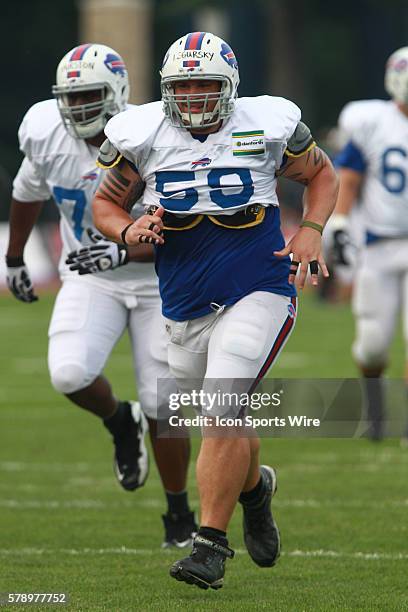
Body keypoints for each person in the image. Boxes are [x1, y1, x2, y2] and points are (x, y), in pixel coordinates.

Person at [92, 32, 338, 589]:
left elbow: (322, 174)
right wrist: (127, 228)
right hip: (183, 303)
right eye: (184, 85)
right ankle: (256, 490)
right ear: (166, 88)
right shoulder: (142, 132)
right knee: (224, 416)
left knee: (222, 405)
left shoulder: (266, 124)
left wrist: (313, 230)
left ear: (231, 86)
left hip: (261, 287)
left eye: (206, 83)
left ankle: (209, 545)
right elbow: (105, 203)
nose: (195, 94)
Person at [5, 43, 196, 547]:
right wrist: (14, 256)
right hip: (90, 277)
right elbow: (28, 190)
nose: (78, 108)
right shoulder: (45, 129)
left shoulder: (155, 133)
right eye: (70, 97)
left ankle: (178, 512)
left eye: (89, 95)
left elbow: (186, 228)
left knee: (165, 404)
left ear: (117, 92)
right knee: (69, 372)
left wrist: (123, 252)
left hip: (160, 283)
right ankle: (119, 420)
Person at [331, 45, 408, 441]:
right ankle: (375, 408)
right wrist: (341, 219)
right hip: (378, 245)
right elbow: (351, 175)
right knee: (373, 345)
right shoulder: (373, 121)